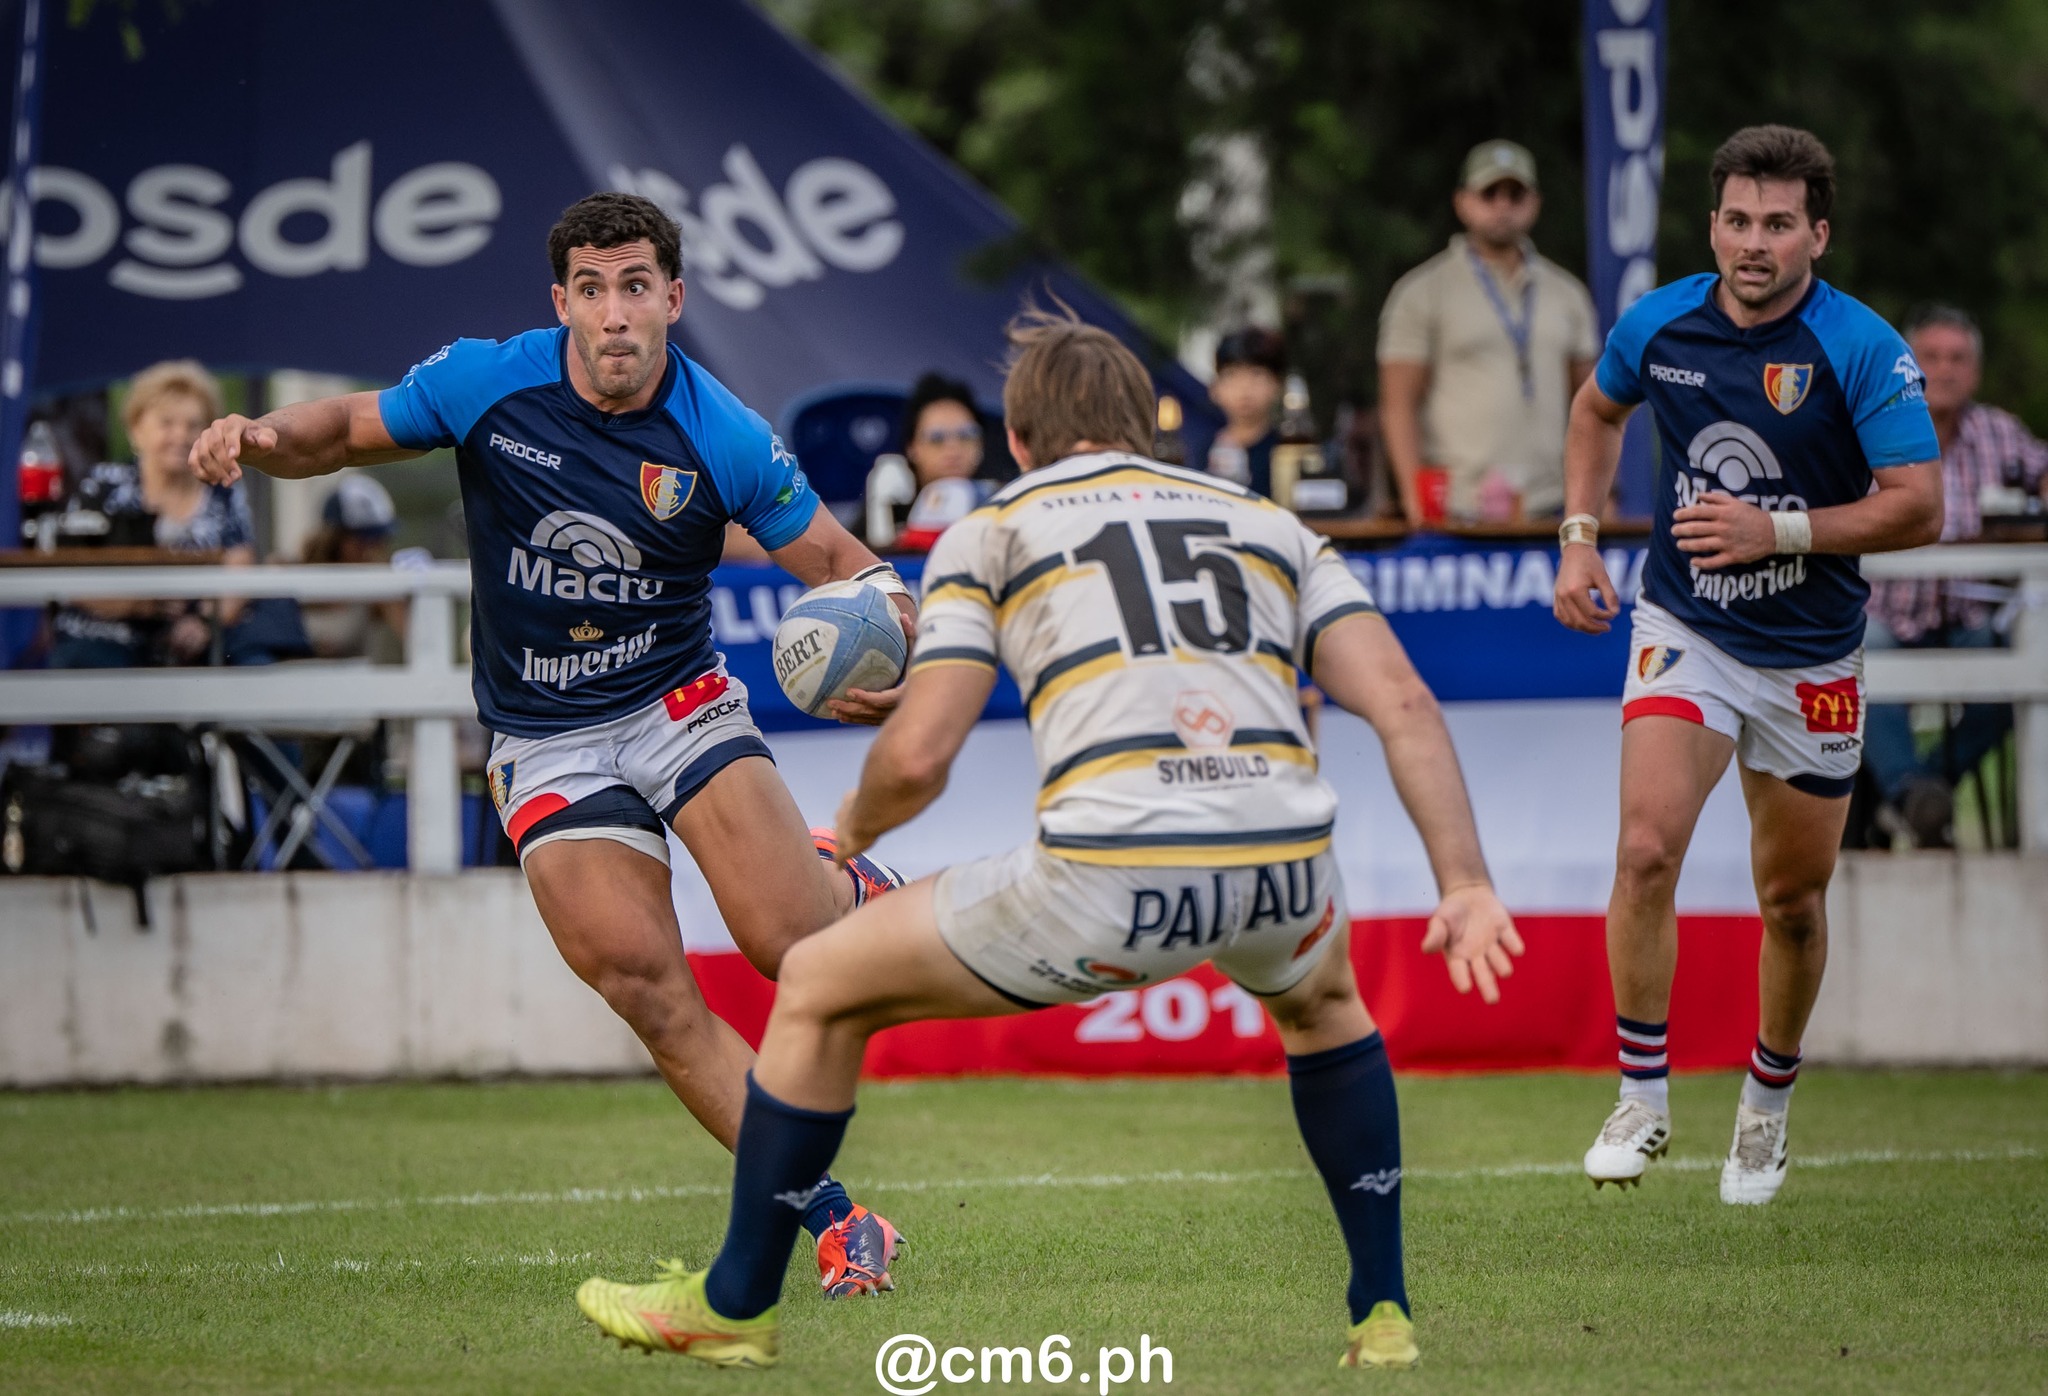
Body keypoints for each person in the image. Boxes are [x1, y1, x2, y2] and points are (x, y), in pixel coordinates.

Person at [573, 308, 1525, 1372]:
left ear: (1018, 439)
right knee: (1324, 1006)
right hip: (1281, 862)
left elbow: (923, 753)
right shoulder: (1262, 518)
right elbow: (1400, 701)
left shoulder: (1001, 522)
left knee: (815, 982)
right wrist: (1466, 880)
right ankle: (1381, 1310)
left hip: (1113, 871)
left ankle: (734, 1301)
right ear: (1147, 430)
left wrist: (848, 833)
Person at [187, 192, 915, 1295]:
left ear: (673, 298)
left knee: (792, 950)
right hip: (544, 738)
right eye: (592, 289)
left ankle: (834, 883)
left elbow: (840, 563)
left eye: (636, 288)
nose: (615, 314)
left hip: (678, 704)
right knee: (646, 986)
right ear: (561, 302)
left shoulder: (719, 431)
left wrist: (891, 632)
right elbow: (338, 431)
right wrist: (258, 438)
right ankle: (837, 1217)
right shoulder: (491, 381)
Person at [1552, 125, 1941, 1205]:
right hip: (1689, 631)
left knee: (1792, 902)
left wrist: (1782, 533)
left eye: (1776, 223)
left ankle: (1764, 1107)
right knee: (1641, 852)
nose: (1752, 242)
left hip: (1810, 654)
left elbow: (1918, 505)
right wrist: (1578, 532)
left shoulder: (1858, 346)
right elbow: (1595, 407)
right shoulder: (1660, 321)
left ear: (1816, 231)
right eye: (1735, 220)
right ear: (1711, 224)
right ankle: (1640, 1096)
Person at [1862, 304, 2048, 846]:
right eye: (1931, 357)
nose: (1943, 370)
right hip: (1885, 612)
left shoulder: (1999, 432)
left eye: (1957, 359)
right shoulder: (1870, 426)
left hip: (1971, 611)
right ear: (1907, 365)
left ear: (1976, 371)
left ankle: (1912, 798)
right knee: (1851, 657)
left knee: (2029, 660)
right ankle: (1913, 796)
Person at [1378, 140, 1599, 526]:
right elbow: (1399, 405)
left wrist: (1599, 496)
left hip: (1553, 507)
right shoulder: (1422, 291)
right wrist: (1416, 503)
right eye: (1489, 193)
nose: (1502, 205)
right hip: (1459, 510)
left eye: (1516, 194)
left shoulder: (1568, 293)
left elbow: (1594, 403)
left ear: (1535, 203)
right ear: (1462, 202)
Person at [50, 360, 255, 668]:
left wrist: (202, 623)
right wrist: (137, 604)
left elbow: (240, 567)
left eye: (193, 425)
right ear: (136, 429)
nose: (181, 435)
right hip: (106, 638)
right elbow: (68, 570)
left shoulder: (224, 490)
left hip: (196, 643)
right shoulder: (105, 485)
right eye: (166, 423)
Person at [298, 474, 412, 663]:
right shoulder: (293, 576)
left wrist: (388, 589)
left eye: (379, 540)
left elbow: (417, 642)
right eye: (364, 540)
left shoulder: (378, 587)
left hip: (355, 687)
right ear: (336, 539)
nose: (374, 549)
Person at [889, 372, 995, 551]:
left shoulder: (1001, 501)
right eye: (937, 438)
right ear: (912, 447)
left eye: (966, 435)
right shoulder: (885, 509)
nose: (953, 449)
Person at [1203, 326, 1286, 497]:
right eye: (1232, 375)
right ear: (1215, 388)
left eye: (1256, 374)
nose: (1244, 388)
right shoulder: (1199, 453)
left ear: (1278, 385)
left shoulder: (1286, 454)